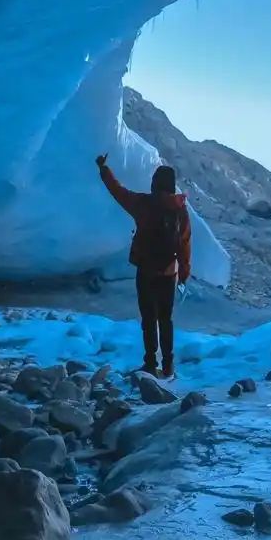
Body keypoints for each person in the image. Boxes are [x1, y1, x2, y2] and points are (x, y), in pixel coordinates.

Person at [95, 153, 191, 379]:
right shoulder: (180, 209)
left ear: (154, 183)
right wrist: (184, 275)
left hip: (146, 271)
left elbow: (118, 192)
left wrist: (103, 168)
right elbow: (185, 243)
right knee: (166, 320)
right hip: (169, 273)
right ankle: (168, 367)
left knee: (149, 319)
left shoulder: (143, 204)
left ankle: (150, 364)